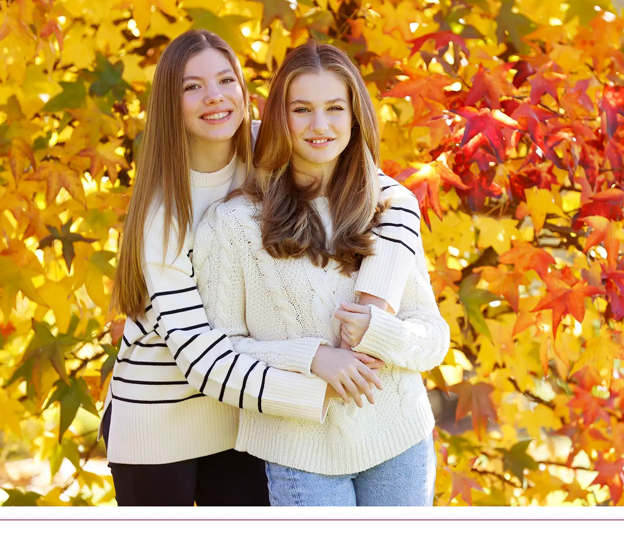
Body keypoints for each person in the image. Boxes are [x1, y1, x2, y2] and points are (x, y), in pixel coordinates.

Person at [100, 30, 424, 506]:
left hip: (245, 414)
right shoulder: (164, 215)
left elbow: (390, 196)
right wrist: (315, 384)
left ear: (245, 91)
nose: (214, 97)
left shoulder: (266, 147)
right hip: (161, 416)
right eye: (192, 86)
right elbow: (200, 356)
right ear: (171, 103)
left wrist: (374, 300)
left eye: (225, 79)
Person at [194, 41, 450, 506]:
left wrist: (381, 332)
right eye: (302, 109)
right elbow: (220, 351)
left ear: (355, 116)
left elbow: (433, 337)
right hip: (299, 451)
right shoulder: (234, 224)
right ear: (279, 119)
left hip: (399, 440)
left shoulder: (389, 210)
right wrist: (313, 358)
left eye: (335, 108)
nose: (320, 125)